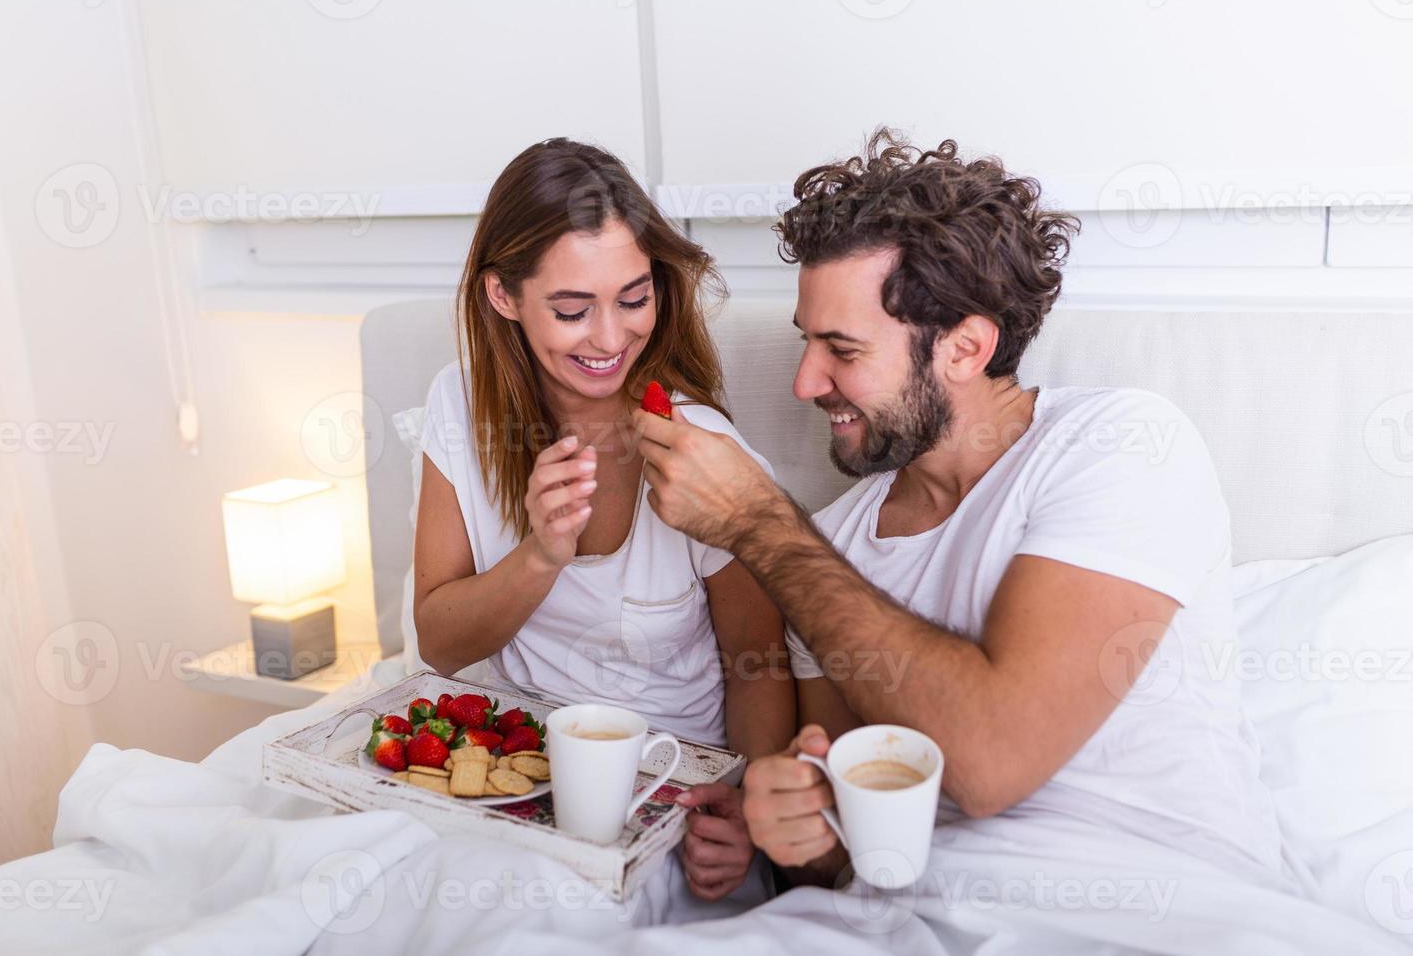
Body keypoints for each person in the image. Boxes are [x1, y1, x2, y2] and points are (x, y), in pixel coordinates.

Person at [633, 130, 1285, 890]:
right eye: (807, 343)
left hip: (1157, 903)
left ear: (966, 349)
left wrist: (757, 523)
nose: (805, 384)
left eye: (842, 350)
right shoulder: (831, 546)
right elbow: (837, 857)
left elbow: (991, 761)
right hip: (908, 920)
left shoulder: (1121, 446)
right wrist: (797, 830)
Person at [411, 138, 793, 901]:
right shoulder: (458, 406)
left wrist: (745, 805)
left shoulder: (699, 449)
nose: (612, 338)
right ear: (503, 297)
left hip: (665, 794)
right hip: (514, 783)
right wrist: (537, 557)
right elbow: (440, 645)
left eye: (634, 297)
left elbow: (759, 658)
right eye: (572, 309)